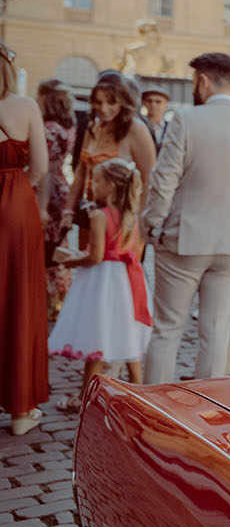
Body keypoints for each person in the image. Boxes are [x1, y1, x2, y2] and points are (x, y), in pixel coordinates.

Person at [141, 53, 230, 384]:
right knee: (216, 331)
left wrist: (151, 224)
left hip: (183, 240)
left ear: (202, 80)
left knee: (166, 330)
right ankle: (206, 410)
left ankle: (154, 412)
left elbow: (164, 181)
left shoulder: (187, 120)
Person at [48, 158, 151, 409]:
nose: (93, 186)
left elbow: (95, 256)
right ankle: (139, 388)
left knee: (97, 335)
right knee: (127, 331)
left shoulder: (99, 216)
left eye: (99, 181)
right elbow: (134, 250)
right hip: (126, 280)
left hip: (102, 282)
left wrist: (71, 261)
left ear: (112, 186)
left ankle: (85, 396)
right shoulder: (132, 216)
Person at [0, 42, 50, 435]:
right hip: (15, 205)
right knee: (19, 299)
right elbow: (41, 167)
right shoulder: (24, 106)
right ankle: (20, 412)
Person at [64, 73, 155, 221]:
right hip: (91, 212)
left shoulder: (136, 129)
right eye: (98, 102)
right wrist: (68, 210)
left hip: (121, 219)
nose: (104, 109)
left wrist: (139, 222)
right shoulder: (93, 127)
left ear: (123, 102)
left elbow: (149, 179)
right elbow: (81, 172)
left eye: (111, 102)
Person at [37, 79, 76, 319]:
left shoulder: (49, 128)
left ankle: (54, 299)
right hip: (61, 187)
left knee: (49, 247)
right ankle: (58, 298)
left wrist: (42, 205)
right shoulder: (67, 126)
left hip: (48, 191)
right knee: (58, 245)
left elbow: (47, 169)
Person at [141, 86, 172, 154]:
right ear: (143, 103)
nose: (153, 104)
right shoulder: (138, 126)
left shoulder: (171, 128)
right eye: (149, 101)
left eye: (158, 102)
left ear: (166, 104)